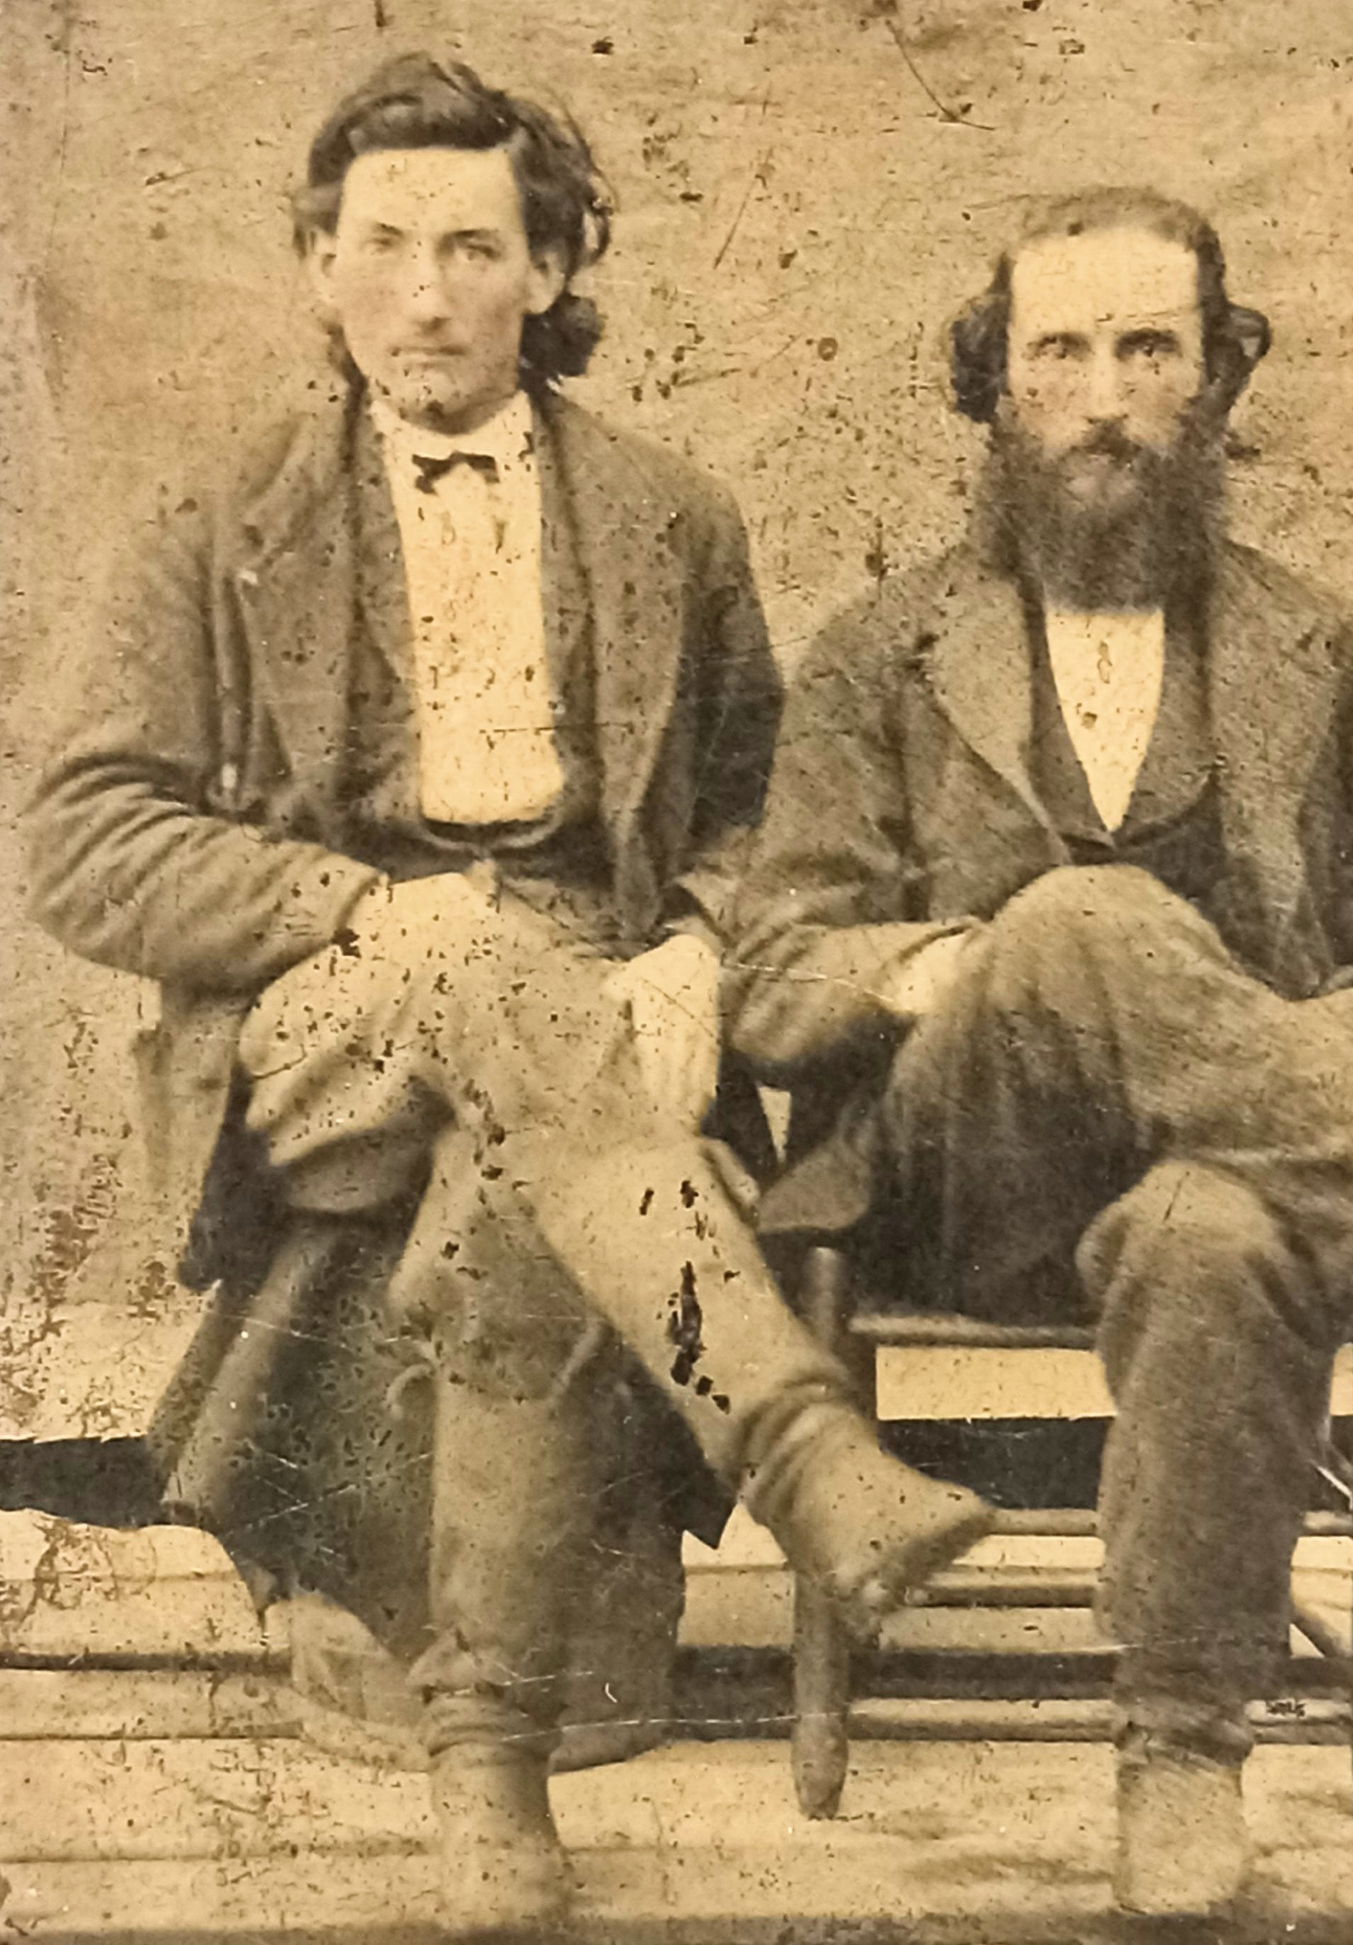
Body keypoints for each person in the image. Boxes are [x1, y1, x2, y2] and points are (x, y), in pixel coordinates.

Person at [25, 53, 993, 1935]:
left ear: (548, 271)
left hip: (591, 1020)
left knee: (520, 1167)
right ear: (317, 267)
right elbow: (81, 838)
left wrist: (697, 943)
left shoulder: (669, 515)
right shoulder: (220, 516)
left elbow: (757, 810)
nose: (426, 293)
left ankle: (490, 1765)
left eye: (473, 248)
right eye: (380, 245)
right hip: (318, 1010)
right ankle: (799, 1440)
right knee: (474, 955)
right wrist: (350, 906)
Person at [726, 186, 1353, 1917]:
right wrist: (957, 970)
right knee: (1082, 921)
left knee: (1225, 1222)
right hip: (963, 1175)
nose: (1107, 398)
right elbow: (775, 979)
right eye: (1060, 353)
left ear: (1219, 379)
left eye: (1151, 349)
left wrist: (1252, 1069)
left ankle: (1183, 1747)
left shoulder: (1332, 658)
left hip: (1230, 1185)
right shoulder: (880, 655)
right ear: (995, 385)